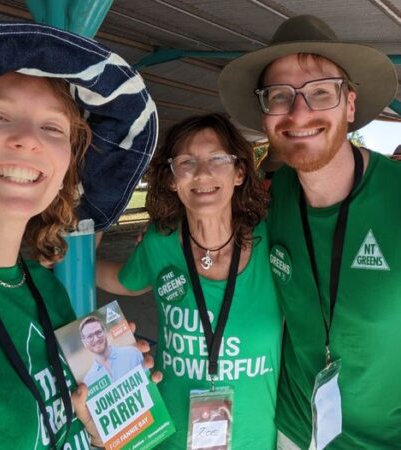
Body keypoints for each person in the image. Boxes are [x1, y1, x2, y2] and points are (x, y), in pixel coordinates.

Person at [0, 21, 157, 450]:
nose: (27, 139)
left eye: (52, 128)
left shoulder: (49, 289)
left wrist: (99, 429)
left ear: (66, 166)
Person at [219, 14, 401, 450]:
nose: (299, 112)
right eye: (280, 96)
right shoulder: (265, 198)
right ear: (265, 115)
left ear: (350, 105)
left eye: (320, 93)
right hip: (294, 431)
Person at [95, 113, 282, 449]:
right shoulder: (159, 242)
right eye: (186, 162)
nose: (203, 173)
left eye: (217, 159)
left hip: (254, 438)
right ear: (171, 179)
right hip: (171, 436)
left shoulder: (275, 243)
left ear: (239, 172)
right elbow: (125, 281)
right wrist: (71, 255)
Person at [80, 316, 144, 385]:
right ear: (84, 342)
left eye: (98, 332)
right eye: (89, 336)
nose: (96, 339)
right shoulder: (88, 381)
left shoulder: (132, 353)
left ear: (105, 332)